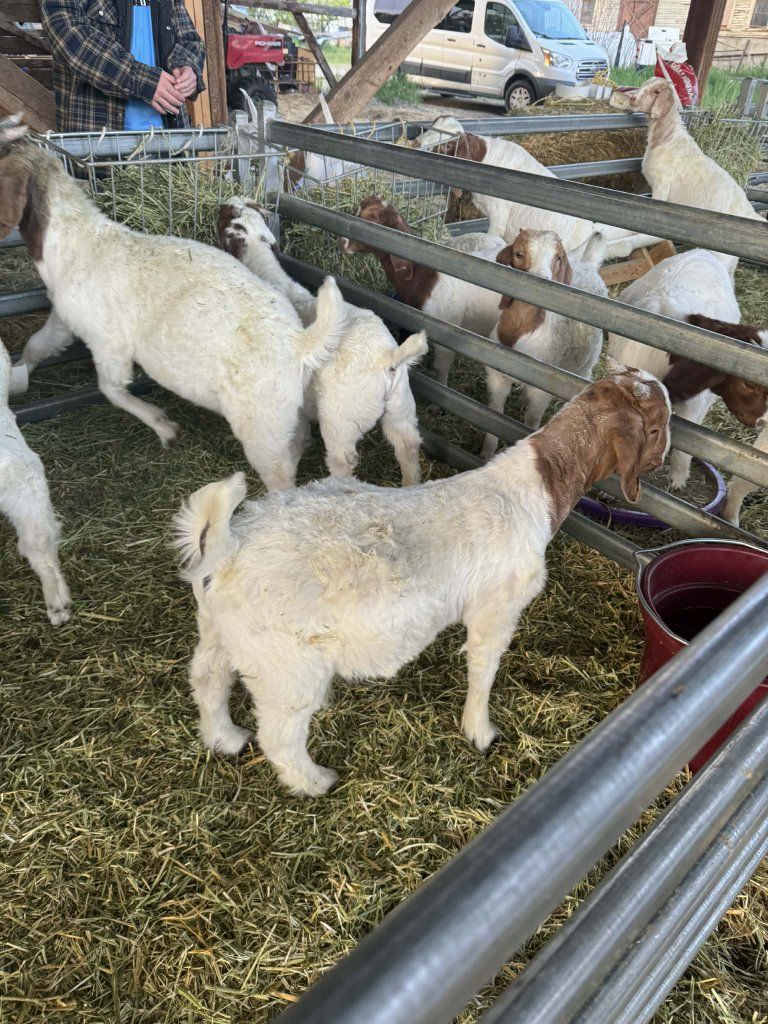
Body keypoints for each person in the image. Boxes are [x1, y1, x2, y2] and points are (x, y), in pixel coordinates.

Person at [42, 0, 207, 133]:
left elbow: (189, 40)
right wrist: (143, 80)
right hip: (101, 148)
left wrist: (188, 68)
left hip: (169, 143)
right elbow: (68, 35)